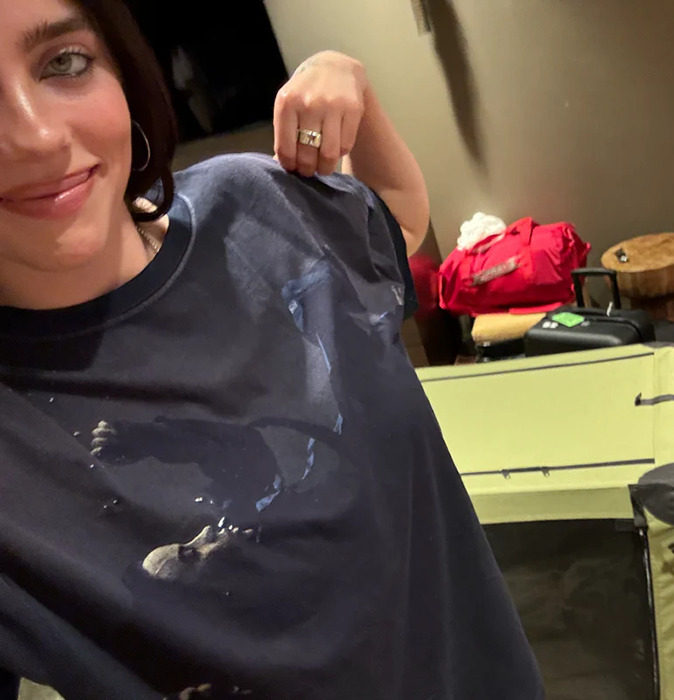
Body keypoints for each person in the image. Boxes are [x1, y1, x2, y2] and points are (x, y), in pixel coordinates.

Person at [0, 0, 544, 698]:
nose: (37, 136)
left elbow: (401, 223)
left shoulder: (256, 206)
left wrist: (354, 85)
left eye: (65, 62)